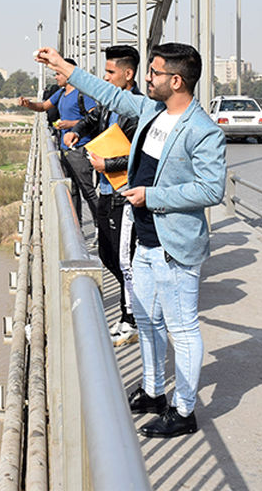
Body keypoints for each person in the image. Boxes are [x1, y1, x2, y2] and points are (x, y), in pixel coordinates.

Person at [34, 42, 226, 439]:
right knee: (148, 319)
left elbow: (211, 189)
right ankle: (154, 391)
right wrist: (64, 68)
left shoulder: (203, 131)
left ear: (175, 80)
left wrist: (151, 197)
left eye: (154, 72)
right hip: (144, 236)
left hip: (174, 245)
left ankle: (184, 410)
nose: (148, 78)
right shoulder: (153, 112)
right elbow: (110, 94)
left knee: (182, 328)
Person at [63, 44, 142, 344]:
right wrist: (77, 130)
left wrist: (106, 163)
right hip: (106, 189)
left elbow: (136, 154)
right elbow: (94, 118)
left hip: (124, 193)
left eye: (110, 72)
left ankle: (131, 319)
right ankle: (135, 306)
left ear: (127, 73)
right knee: (107, 255)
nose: (105, 77)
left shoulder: (136, 107)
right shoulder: (110, 102)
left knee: (124, 260)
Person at [18, 58, 98, 224]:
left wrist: (71, 124)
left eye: (58, 73)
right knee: (72, 190)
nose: (55, 77)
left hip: (80, 149)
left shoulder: (83, 93)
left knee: (87, 190)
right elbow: (43, 106)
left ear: (68, 74)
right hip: (64, 149)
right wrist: (28, 104)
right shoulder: (61, 93)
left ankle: (100, 226)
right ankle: (77, 227)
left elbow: (94, 117)